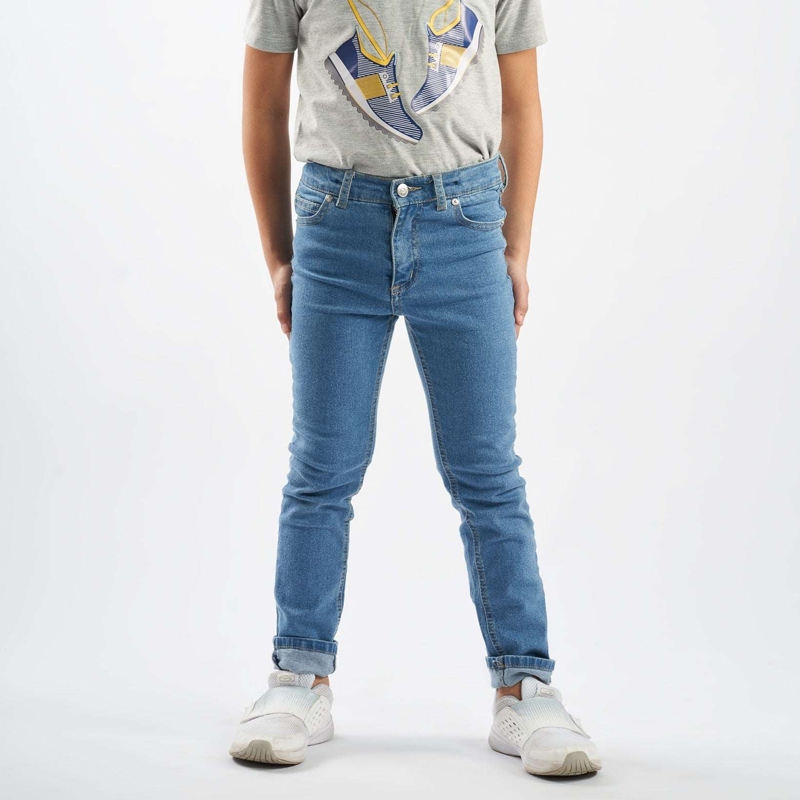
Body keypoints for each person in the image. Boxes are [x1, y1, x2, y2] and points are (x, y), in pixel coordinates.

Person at [229, 0, 601, 777]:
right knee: (323, 467)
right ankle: (299, 675)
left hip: (465, 224)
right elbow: (262, 103)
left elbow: (522, 102)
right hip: (337, 225)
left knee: (487, 472)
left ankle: (524, 684)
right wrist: (278, 257)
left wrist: (516, 246)